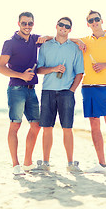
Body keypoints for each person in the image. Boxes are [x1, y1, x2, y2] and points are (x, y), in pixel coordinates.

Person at [72, 10, 106, 176]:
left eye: (97, 19)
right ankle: (101, 164)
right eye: (91, 20)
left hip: (105, 87)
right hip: (87, 87)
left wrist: (104, 65)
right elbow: (66, 39)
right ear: (88, 24)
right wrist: (77, 41)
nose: (95, 22)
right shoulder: (84, 41)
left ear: (101, 20)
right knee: (94, 126)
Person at [0, 12, 52, 175]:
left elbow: (50, 38)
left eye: (30, 23)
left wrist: (44, 37)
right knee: (15, 125)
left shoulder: (35, 39)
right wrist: (21, 75)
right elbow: (0, 67)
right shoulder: (10, 43)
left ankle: (28, 162)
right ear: (18, 24)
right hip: (15, 90)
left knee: (36, 125)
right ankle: (16, 164)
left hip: (31, 90)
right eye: (24, 23)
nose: (27, 26)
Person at [37, 17, 84, 172]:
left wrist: (71, 91)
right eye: (61, 24)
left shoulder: (75, 48)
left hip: (66, 93)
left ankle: (71, 163)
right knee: (47, 128)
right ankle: (45, 162)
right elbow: (39, 69)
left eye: (67, 26)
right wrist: (54, 69)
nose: (63, 27)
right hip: (48, 91)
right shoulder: (45, 46)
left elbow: (79, 73)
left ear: (70, 29)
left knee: (67, 128)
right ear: (56, 26)